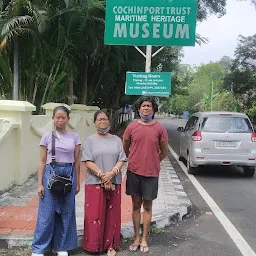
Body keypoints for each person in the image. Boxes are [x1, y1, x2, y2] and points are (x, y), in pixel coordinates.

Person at [31, 106, 81, 256]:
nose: (60, 120)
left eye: (63, 117)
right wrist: (39, 184)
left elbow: (77, 161)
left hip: (69, 174)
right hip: (51, 173)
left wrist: (77, 182)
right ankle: (39, 248)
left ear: (68, 119)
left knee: (66, 212)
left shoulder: (75, 137)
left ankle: (60, 247)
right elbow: (41, 161)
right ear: (53, 118)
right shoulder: (47, 136)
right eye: (57, 117)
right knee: (46, 213)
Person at [123, 96, 168, 254]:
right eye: (143, 106)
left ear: (153, 109)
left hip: (151, 174)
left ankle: (144, 239)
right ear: (138, 109)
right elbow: (126, 147)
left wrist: (152, 161)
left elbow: (164, 151)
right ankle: (136, 237)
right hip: (134, 172)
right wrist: (136, 160)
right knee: (135, 205)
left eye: (149, 106)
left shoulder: (159, 128)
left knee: (147, 206)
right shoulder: (132, 127)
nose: (146, 108)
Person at [81, 109, 126, 256]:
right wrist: (102, 175)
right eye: (99, 119)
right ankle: (94, 246)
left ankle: (110, 245)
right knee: (94, 215)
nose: (102, 122)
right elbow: (87, 161)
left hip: (114, 181)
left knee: (111, 214)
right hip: (94, 182)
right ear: (95, 122)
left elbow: (122, 159)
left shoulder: (116, 140)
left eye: (105, 119)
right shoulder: (89, 140)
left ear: (109, 121)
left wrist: (112, 174)